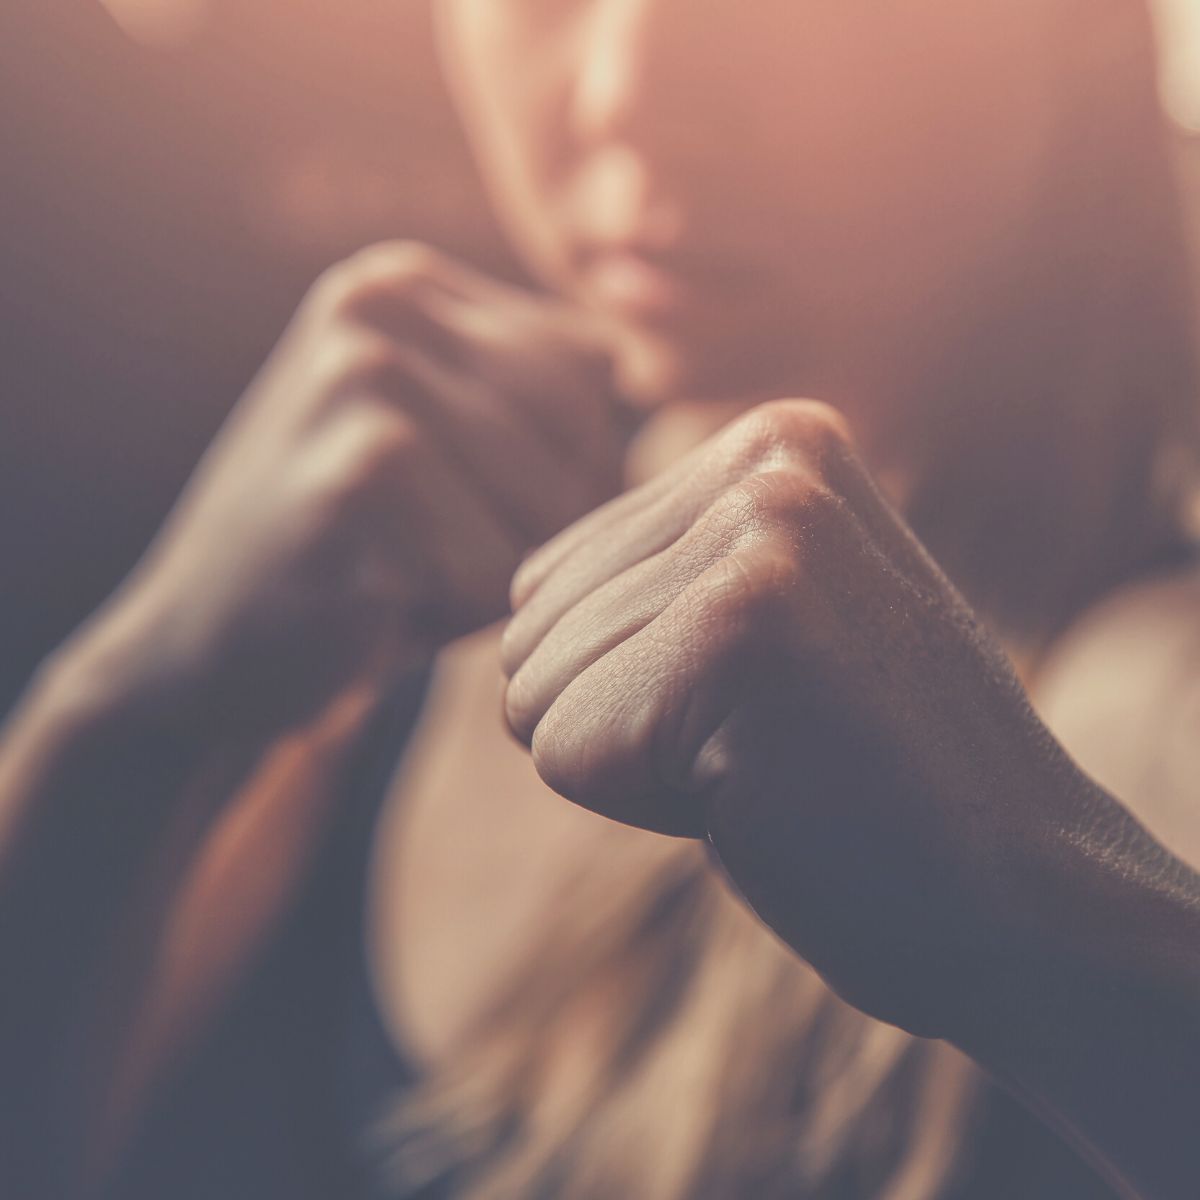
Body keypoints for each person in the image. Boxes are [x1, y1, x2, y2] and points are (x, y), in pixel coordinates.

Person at [0, 0, 1196, 1197]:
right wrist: (120, 708)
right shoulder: (406, 578)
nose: (627, 87)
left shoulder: (1152, 695)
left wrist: (1070, 922)